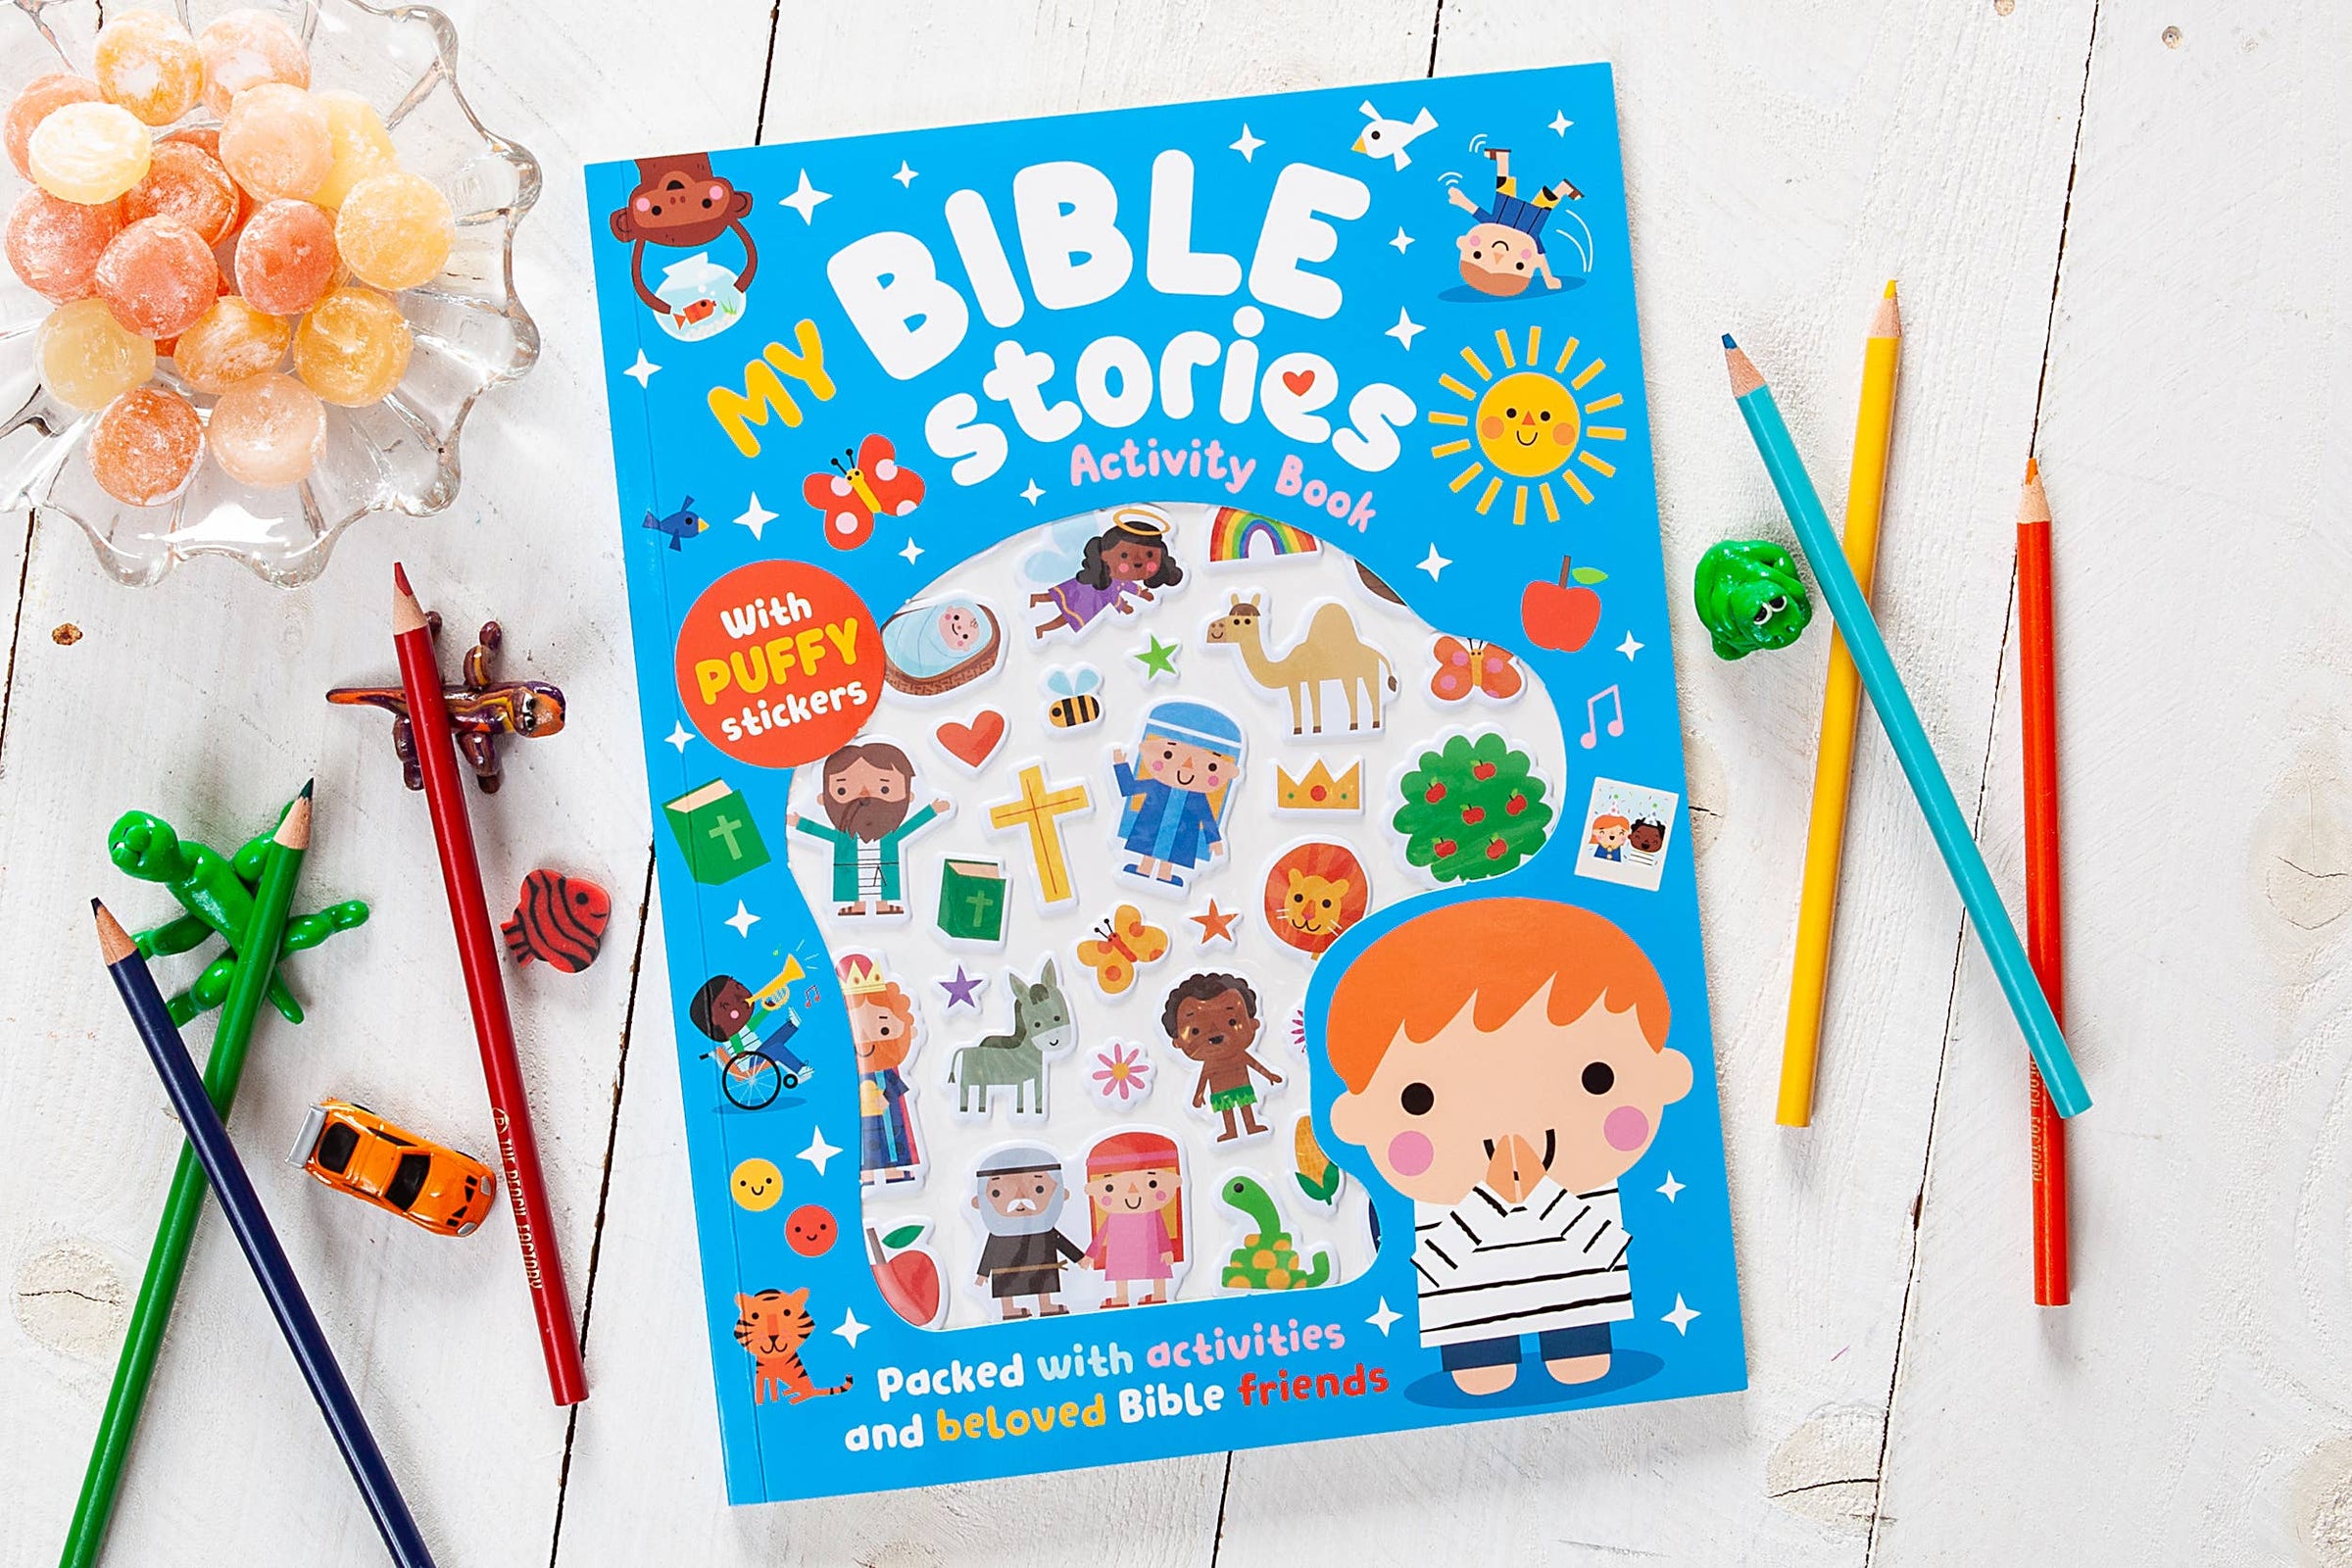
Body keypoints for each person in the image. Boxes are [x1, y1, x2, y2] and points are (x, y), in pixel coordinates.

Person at [1325, 898, 1692, 1396]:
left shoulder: (1589, 1179)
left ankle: (1573, 1342)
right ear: (1356, 1118)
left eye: (1596, 1078)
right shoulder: (1435, 1200)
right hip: (1469, 1310)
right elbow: (1435, 1262)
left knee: (1581, 1350)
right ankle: (1484, 1351)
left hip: (1577, 1297)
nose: (1511, 1122)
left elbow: (1605, 1247)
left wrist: (1542, 1193)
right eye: (1419, 1099)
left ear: (1665, 1075)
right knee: (1480, 1366)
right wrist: (1493, 1197)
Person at [787, 741, 949, 916]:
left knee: (884, 882)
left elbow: (910, 827)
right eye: (842, 790)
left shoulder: (890, 836)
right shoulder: (844, 838)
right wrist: (799, 823)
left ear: (909, 796)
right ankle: (858, 906)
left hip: (883, 866)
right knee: (854, 884)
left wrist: (932, 811)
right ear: (822, 798)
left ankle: (882, 905)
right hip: (850, 867)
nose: (864, 795)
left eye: (884, 789)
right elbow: (823, 833)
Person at [1112, 701, 1244, 888]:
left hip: (1181, 835)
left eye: (1210, 766)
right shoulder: (1157, 786)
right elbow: (1129, 788)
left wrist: (1214, 840)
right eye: (1168, 755)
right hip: (1151, 830)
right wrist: (1120, 765)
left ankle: (1165, 875)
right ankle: (1144, 869)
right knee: (1148, 849)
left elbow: (1207, 818)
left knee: (1171, 854)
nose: (1187, 767)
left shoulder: (1197, 798)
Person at [1031, 507, 1184, 639]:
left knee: (1062, 610)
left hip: (1089, 602)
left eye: (1150, 555)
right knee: (1059, 601)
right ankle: (1037, 610)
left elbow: (1128, 588)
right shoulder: (1107, 579)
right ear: (1104, 555)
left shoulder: (1119, 581)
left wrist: (1141, 594)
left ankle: (1041, 626)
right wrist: (1124, 607)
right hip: (1085, 597)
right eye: (1124, 555)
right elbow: (1114, 597)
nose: (1137, 562)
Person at [1162, 971, 1282, 1142]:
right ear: (1177, 1042)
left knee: (1245, 1106)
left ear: (1253, 1024)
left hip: (1241, 1084)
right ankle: (1230, 1131)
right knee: (1227, 1110)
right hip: (1220, 1090)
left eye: (1231, 1022)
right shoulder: (1210, 1063)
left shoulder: (1239, 1055)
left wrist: (1269, 1075)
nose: (1214, 1034)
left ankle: (1251, 1126)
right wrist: (1198, 1095)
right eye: (1196, 1031)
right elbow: (1203, 1078)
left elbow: (1254, 1064)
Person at [1448, 145, 1582, 297]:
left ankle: (1503, 159)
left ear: (1462, 242)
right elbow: (1540, 257)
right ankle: (1563, 188)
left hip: (1506, 214)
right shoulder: (1530, 239)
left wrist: (1462, 201)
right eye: (1519, 266)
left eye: (1477, 254)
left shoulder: (1492, 228)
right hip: (1528, 222)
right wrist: (1548, 279)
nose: (1498, 254)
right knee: (1541, 205)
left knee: (1506, 192)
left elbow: (1478, 213)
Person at [971, 1145, 1085, 1319]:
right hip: (1007, 1266)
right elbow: (990, 1251)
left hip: (1040, 1262)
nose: (1019, 1197)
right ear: (979, 1202)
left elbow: (1060, 1241)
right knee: (1006, 1284)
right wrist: (982, 1273)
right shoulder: (999, 1234)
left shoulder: (1045, 1229)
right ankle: (1009, 1309)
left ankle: (1046, 1306)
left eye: (1039, 1189)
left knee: (1043, 1281)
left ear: (1062, 1194)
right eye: (997, 1192)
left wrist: (1079, 1258)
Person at [839, 953, 920, 1185]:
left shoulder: (889, 1070)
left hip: (889, 1112)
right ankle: (865, 1171)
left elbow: (898, 1083)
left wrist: (886, 1097)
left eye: (884, 1030)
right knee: (862, 1139)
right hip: (860, 1113)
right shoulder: (847, 1074)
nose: (867, 1041)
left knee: (894, 1138)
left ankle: (895, 1169)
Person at [1081, 1131, 1184, 1307]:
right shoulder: (1115, 1217)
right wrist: (1090, 1255)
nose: (1132, 1192)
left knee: (1155, 1268)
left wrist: (1167, 1250)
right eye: (1111, 1187)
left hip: (1149, 1249)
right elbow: (1101, 1235)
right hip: (1122, 1250)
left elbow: (1161, 1231)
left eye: (1152, 1183)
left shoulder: (1152, 1214)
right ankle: (1122, 1297)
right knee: (1121, 1269)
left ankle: (1159, 1294)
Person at [687, 971, 811, 1089]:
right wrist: (740, 1052)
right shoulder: (731, 1033)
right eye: (726, 1005)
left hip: (758, 1051)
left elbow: (752, 1025)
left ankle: (792, 1025)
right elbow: (736, 1040)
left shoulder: (738, 1029)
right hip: (750, 1061)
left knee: (776, 1042)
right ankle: (799, 1069)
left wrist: (767, 1009)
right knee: (777, 1048)